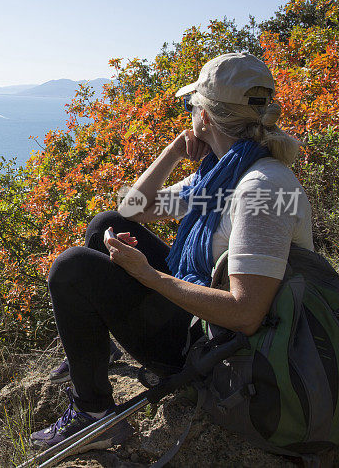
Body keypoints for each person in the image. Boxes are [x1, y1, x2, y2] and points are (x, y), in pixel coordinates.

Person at [30, 52, 312, 451]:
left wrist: (148, 274)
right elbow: (133, 207)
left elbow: (246, 315)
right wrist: (174, 151)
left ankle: (93, 415)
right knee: (106, 223)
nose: (188, 113)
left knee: (72, 268)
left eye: (190, 105)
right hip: (209, 321)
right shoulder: (218, 177)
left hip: (226, 352)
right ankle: (96, 350)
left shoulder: (263, 189)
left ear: (206, 118)